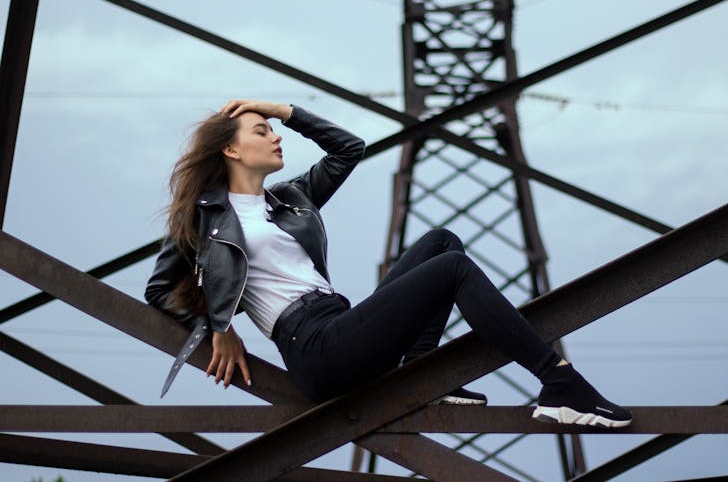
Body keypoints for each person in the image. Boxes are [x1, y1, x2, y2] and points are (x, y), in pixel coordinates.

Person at [145, 99, 632, 428]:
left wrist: (285, 110)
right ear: (231, 149)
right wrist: (217, 327)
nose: (276, 137)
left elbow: (349, 148)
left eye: (273, 129)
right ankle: (560, 382)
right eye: (262, 131)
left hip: (339, 323)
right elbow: (158, 292)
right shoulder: (203, 217)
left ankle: (421, 373)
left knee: (443, 243)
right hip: (314, 348)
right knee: (453, 270)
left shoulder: (289, 200)